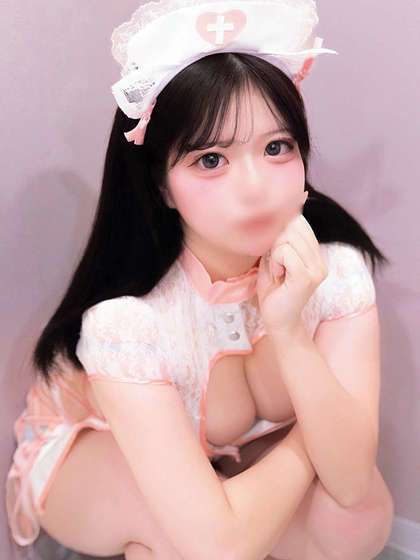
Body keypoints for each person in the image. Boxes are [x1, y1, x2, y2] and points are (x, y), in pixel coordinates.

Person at [5, 1, 394, 559]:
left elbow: (353, 484)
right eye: (211, 160)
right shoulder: (127, 322)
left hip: (220, 450)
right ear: (161, 186)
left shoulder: (333, 273)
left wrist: (289, 332)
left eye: (277, 147)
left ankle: (214, 503)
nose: (255, 187)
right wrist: (313, 438)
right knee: (185, 547)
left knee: (357, 518)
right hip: (93, 444)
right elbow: (217, 547)